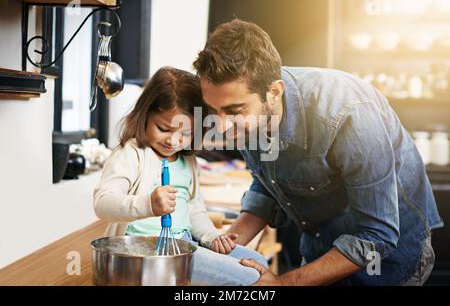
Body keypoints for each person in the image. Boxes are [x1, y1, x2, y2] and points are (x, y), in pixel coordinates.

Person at [193, 19, 443, 285]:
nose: (220, 125)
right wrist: (226, 247)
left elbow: (376, 235)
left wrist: (284, 283)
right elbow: (270, 182)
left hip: (387, 257)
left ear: (274, 93)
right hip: (322, 242)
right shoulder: (248, 108)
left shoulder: (350, 116)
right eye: (212, 110)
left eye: (233, 111)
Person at [93, 66, 268, 286]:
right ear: (145, 115)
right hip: (145, 251)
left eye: (185, 133)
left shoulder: (187, 162)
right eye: (164, 128)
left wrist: (211, 237)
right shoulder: (131, 155)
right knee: (251, 278)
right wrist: (147, 204)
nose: (173, 141)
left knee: (259, 262)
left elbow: (194, 210)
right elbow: (102, 203)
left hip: (182, 245)